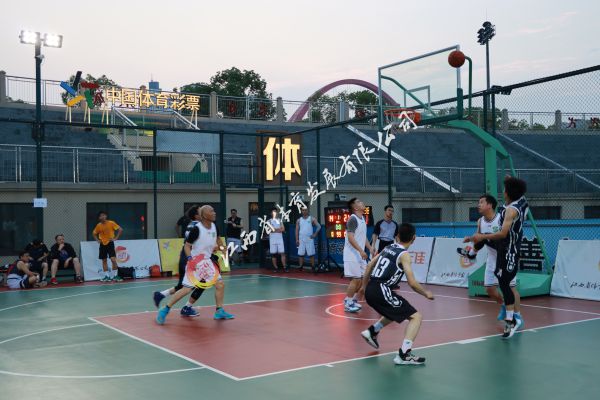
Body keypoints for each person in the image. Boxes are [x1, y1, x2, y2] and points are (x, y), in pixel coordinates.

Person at [359, 223, 434, 365]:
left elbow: (369, 266)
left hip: (371, 288)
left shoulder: (388, 247)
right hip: (381, 289)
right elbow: (412, 283)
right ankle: (404, 354)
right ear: (414, 238)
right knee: (416, 317)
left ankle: (373, 331)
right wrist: (425, 293)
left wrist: (364, 287)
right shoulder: (404, 255)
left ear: (397, 236)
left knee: (396, 311)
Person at [470, 176, 528, 339]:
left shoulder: (509, 211)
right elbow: (521, 192)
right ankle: (509, 314)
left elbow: (502, 234)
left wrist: (482, 237)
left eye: (505, 189)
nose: (503, 192)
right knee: (496, 287)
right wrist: (511, 181)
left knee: (507, 286)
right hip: (499, 253)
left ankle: (515, 318)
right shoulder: (518, 203)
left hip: (508, 251)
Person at [156, 205, 234, 324]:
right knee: (186, 289)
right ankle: (165, 309)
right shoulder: (197, 229)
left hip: (207, 262)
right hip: (195, 262)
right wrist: (190, 260)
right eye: (211, 211)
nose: (214, 213)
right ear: (204, 215)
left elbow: (218, 240)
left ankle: (219, 311)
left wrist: (223, 249)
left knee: (220, 285)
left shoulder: (214, 226)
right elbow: (187, 246)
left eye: (214, 210)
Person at [457, 195, 521, 324]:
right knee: (489, 289)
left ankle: (518, 316)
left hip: (506, 257)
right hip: (492, 258)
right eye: (478, 202)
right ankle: (504, 306)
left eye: (481, 202)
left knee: (511, 288)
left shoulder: (501, 218)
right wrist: (471, 238)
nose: (478, 205)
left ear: (490, 205)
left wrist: (483, 238)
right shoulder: (480, 221)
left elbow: (504, 237)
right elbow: (479, 237)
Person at [343, 198, 375, 313]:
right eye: (359, 202)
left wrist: (370, 248)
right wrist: (361, 251)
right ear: (355, 207)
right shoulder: (352, 219)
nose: (362, 202)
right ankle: (348, 303)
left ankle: (350, 299)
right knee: (355, 280)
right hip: (351, 254)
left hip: (359, 254)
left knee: (363, 279)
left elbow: (363, 236)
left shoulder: (363, 218)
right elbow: (350, 238)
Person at [92, 211, 123, 282]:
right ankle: (107, 276)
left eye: (104, 215)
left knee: (113, 259)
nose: (102, 217)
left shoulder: (111, 223)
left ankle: (115, 276)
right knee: (104, 260)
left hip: (110, 243)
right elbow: (94, 233)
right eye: (101, 216)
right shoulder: (98, 225)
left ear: (106, 216)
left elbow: (120, 229)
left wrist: (115, 238)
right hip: (102, 244)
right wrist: (97, 240)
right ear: (99, 218)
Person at [295, 207, 321, 272]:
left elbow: (319, 226)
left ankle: (313, 267)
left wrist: (315, 234)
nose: (304, 211)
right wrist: (297, 239)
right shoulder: (299, 220)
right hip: (301, 239)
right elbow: (297, 230)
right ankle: (300, 267)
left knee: (311, 254)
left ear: (308, 211)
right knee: (301, 254)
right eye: (303, 210)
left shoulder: (312, 219)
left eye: (305, 210)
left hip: (309, 239)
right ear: (301, 211)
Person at [268, 207, 287, 272]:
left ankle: (284, 267)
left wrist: (275, 229)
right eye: (273, 212)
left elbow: (283, 229)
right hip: (272, 240)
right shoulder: (269, 221)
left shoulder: (280, 220)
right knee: (274, 254)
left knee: (282, 253)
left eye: (275, 212)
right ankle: (275, 268)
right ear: (271, 213)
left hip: (280, 239)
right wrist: (278, 229)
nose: (274, 213)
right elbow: (270, 230)